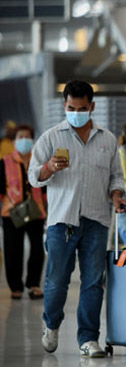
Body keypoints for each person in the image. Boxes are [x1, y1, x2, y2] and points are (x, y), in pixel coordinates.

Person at [28, 80, 126, 358]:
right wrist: (49, 168)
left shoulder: (107, 139)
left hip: (97, 219)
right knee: (57, 281)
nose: (76, 112)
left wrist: (117, 195)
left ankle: (88, 338)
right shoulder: (50, 138)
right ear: (64, 105)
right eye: (71, 108)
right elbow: (33, 176)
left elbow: (116, 177)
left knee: (93, 281)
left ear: (92, 107)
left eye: (82, 108)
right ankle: (52, 323)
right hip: (62, 221)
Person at [0, 124, 47, 300]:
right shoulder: (4, 162)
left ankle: (33, 284)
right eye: (20, 137)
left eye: (27, 137)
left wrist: (49, 209)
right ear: (13, 141)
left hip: (36, 212)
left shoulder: (39, 161)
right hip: (11, 213)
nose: (24, 140)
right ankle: (15, 287)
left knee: (37, 249)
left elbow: (45, 189)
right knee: (13, 250)